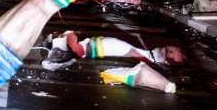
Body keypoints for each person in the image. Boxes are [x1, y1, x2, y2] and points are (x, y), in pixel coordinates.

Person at [42, 30, 187, 71]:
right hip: (93, 46)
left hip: (92, 48)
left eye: (170, 52)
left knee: (70, 34)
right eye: (173, 49)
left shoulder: (151, 57)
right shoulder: (149, 53)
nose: (170, 49)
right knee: (69, 35)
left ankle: (57, 50)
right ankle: (56, 48)